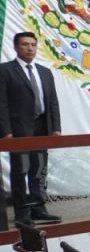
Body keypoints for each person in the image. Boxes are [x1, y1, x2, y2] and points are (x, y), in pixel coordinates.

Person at [0, 32, 62, 224]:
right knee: (20, 170)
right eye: (25, 44)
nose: (30, 48)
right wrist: (5, 131)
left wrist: (56, 128)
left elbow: (53, 102)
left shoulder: (45, 72)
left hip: (43, 127)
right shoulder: (5, 70)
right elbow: (1, 103)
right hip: (18, 130)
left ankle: (38, 208)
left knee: (39, 170)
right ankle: (22, 213)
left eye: (33, 45)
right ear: (16, 47)